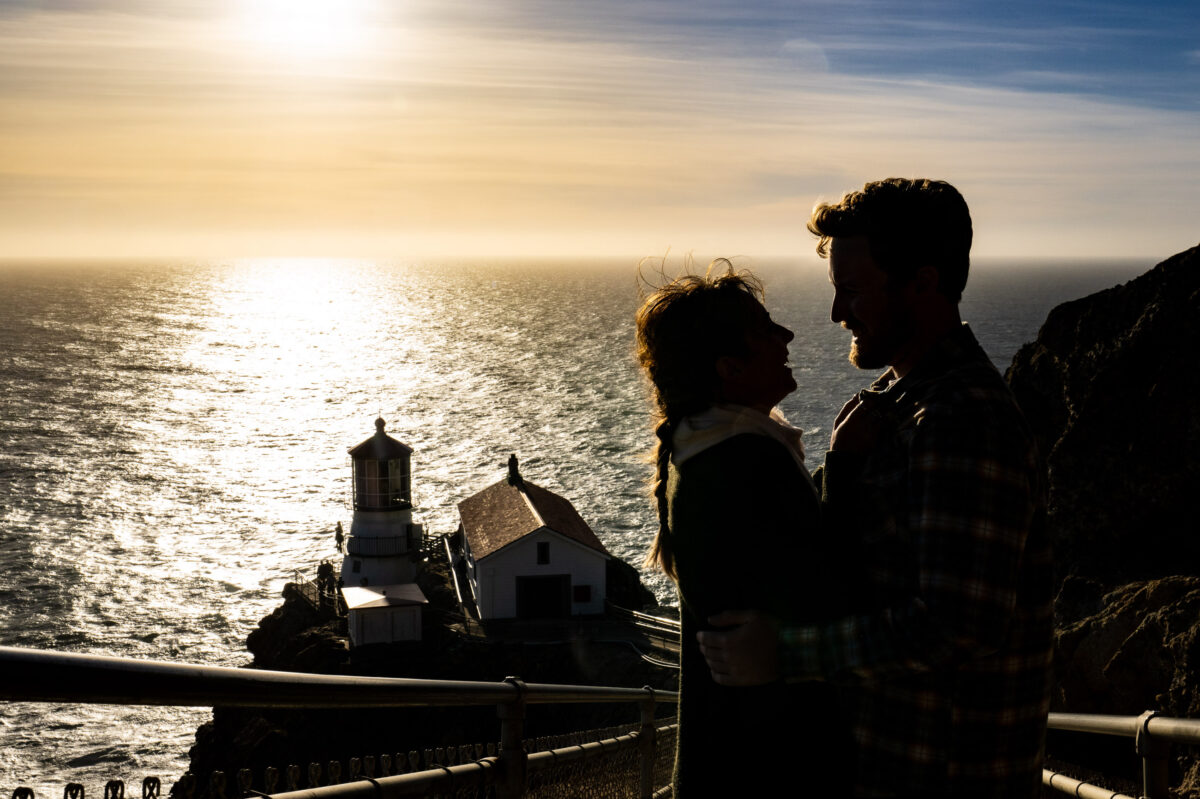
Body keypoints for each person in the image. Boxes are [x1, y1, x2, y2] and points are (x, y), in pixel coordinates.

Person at [696, 179, 1055, 798]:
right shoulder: (900, 404)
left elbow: (956, 625)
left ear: (923, 283)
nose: (838, 315)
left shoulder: (961, 417)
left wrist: (783, 655)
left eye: (853, 293)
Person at [635, 262, 863, 797]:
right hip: (767, 765)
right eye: (765, 331)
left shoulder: (700, 449)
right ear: (730, 369)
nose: (786, 337)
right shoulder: (744, 461)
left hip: (722, 757)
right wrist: (849, 469)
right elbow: (832, 587)